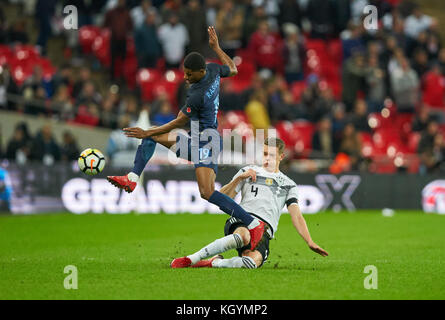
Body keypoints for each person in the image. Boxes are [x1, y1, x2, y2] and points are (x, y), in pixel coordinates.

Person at [107, 27, 267, 249]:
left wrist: (145, 132)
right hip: (197, 140)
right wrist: (217, 48)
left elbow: (179, 121)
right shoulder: (212, 70)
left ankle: (253, 223)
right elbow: (232, 69)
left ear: (200, 72)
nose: (185, 77)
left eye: (189, 74)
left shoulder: (196, 94)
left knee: (207, 192)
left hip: (207, 141)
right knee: (155, 136)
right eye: (184, 72)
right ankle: (133, 178)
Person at [171, 138, 329, 269]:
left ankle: (215, 262)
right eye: (265, 153)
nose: (267, 158)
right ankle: (191, 259)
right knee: (243, 236)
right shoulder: (248, 171)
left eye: (272, 155)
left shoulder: (288, 185)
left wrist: (309, 241)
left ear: (281, 156)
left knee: (251, 263)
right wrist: (239, 178)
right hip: (243, 219)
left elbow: (297, 216)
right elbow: (223, 197)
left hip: (264, 232)